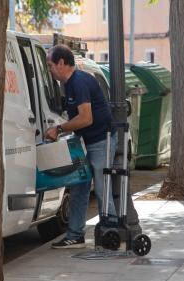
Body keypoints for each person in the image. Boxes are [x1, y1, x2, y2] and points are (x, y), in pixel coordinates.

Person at [45, 44, 118, 249]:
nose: (49, 69)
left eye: (50, 65)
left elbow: (86, 118)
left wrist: (59, 129)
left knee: (102, 187)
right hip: (86, 143)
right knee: (79, 186)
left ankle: (111, 232)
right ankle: (75, 235)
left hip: (101, 140)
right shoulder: (69, 84)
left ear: (61, 63)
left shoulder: (79, 82)